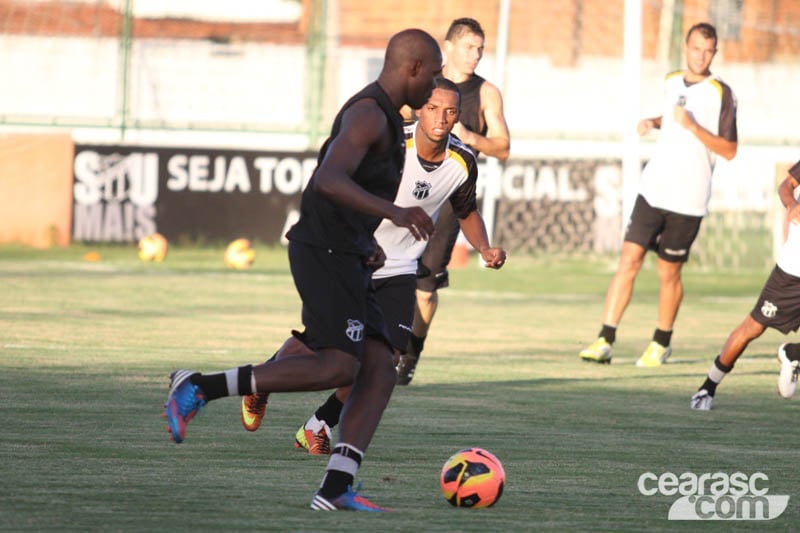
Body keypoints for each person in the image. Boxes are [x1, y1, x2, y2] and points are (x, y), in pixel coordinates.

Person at [163, 28, 443, 512]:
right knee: (338, 365)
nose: (436, 84)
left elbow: (347, 192)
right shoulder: (367, 114)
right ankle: (199, 387)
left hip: (347, 251)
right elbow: (328, 180)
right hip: (322, 251)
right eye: (434, 73)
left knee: (380, 366)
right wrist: (394, 214)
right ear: (413, 67)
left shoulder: (389, 120)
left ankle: (336, 486)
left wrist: (364, 242)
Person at [240, 78, 507, 454]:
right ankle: (262, 381)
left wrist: (484, 247)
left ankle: (317, 425)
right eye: (433, 108)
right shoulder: (393, 144)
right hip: (355, 256)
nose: (441, 118)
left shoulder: (463, 161)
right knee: (326, 348)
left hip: (399, 269)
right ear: (419, 109)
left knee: (385, 359)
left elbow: (466, 211)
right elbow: (341, 184)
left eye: (450, 112)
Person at [579, 22, 738, 367]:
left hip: (689, 199)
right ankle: (605, 337)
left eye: (708, 50)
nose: (701, 55)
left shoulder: (721, 92)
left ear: (715, 53)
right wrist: (653, 122)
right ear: (686, 47)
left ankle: (660, 342)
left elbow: (729, 149)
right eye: (696, 48)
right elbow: (673, 116)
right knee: (628, 261)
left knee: (669, 273)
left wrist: (693, 126)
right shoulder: (671, 80)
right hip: (653, 190)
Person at [397, 17, 511, 385]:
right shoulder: (422, 85)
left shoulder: (487, 93)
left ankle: (411, 353)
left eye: (480, 48)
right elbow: (395, 120)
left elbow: (503, 147)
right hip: (408, 189)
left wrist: (468, 138)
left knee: (425, 288)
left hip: (449, 195)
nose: (475, 55)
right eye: (469, 47)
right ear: (448, 47)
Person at [690, 162, 800, 410]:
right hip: (793, 273)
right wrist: (792, 204)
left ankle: (794, 353)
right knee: (753, 327)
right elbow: (786, 185)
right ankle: (708, 387)